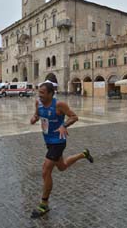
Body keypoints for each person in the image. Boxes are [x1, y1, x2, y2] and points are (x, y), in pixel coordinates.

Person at [30, 81, 93, 218]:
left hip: (58, 141)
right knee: (62, 166)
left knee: (46, 170)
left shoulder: (59, 105)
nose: (39, 95)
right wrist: (34, 118)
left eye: (42, 93)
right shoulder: (38, 103)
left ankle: (44, 204)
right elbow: (37, 114)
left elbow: (74, 116)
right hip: (48, 141)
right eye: (39, 92)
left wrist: (64, 125)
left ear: (51, 94)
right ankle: (84, 154)